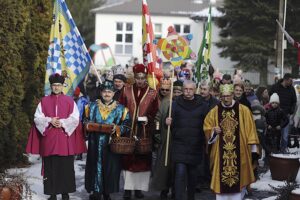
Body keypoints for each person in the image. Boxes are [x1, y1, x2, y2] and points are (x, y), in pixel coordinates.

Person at [26, 73, 87, 200]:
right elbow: (37, 118)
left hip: (65, 140)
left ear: (62, 86)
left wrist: (63, 123)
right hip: (49, 140)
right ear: (51, 86)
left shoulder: (70, 101)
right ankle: (52, 194)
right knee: (50, 167)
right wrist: (49, 121)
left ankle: (65, 194)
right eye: (54, 85)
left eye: (58, 85)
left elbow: (75, 118)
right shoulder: (44, 101)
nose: (56, 88)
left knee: (66, 168)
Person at [203, 84, 260, 200]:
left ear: (233, 95)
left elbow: (251, 130)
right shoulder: (214, 112)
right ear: (220, 96)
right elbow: (206, 128)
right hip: (220, 155)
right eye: (223, 96)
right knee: (221, 186)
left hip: (240, 154)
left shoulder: (243, 110)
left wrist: (253, 152)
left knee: (239, 186)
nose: (226, 98)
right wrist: (213, 131)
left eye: (228, 96)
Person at [85, 81, 131, 200]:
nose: (107, 94)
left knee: (110, 168)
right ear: (101, 92)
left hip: (111, 145)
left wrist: (117, 128)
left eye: (109, 92)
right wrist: (87, 125)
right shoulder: (91, 106)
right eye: (104, 91)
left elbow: (127, 125)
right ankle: (95, 190)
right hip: (95, 143)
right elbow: (84, 121)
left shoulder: (121, 109)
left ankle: (107, 192)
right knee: (95, 166)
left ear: (114, 93)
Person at [119, 64, 159, 200]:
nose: (140, 81)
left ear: (146, 77)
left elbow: (155, 112)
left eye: (142, 78)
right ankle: (127, 189)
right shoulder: (126, 90)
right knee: (128, 161)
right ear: (134, 78)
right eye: (138, 78)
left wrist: (148, 119)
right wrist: (125, 119)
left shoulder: (153, 92)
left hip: (144, 132)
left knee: (142, 161)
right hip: (128, 131)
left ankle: (138, 190)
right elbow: (120, 108)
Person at [165, 80, 209, 200]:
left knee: (192, 175)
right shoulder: (174, 104)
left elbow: (208, 124)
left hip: (195, 144)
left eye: (190, 89)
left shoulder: (203, 105)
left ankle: (191, 197)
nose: (188, 92)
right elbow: (168, 122)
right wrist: (167, 122)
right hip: (179, 144)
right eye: (185, 89)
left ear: (195, 90)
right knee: (179, 174)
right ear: (183, 89)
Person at [269, 73, 297, 152]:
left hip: (286, 116)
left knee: (285, 135)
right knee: (276, 134)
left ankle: (283, 149)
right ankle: (275, 149)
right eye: (290, 80)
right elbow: (270, 98)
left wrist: (291, 111)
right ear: (286, 80)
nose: (292, 82)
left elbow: (294, 101)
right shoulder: (275, 87)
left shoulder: (291, 89)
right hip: (276, 115)